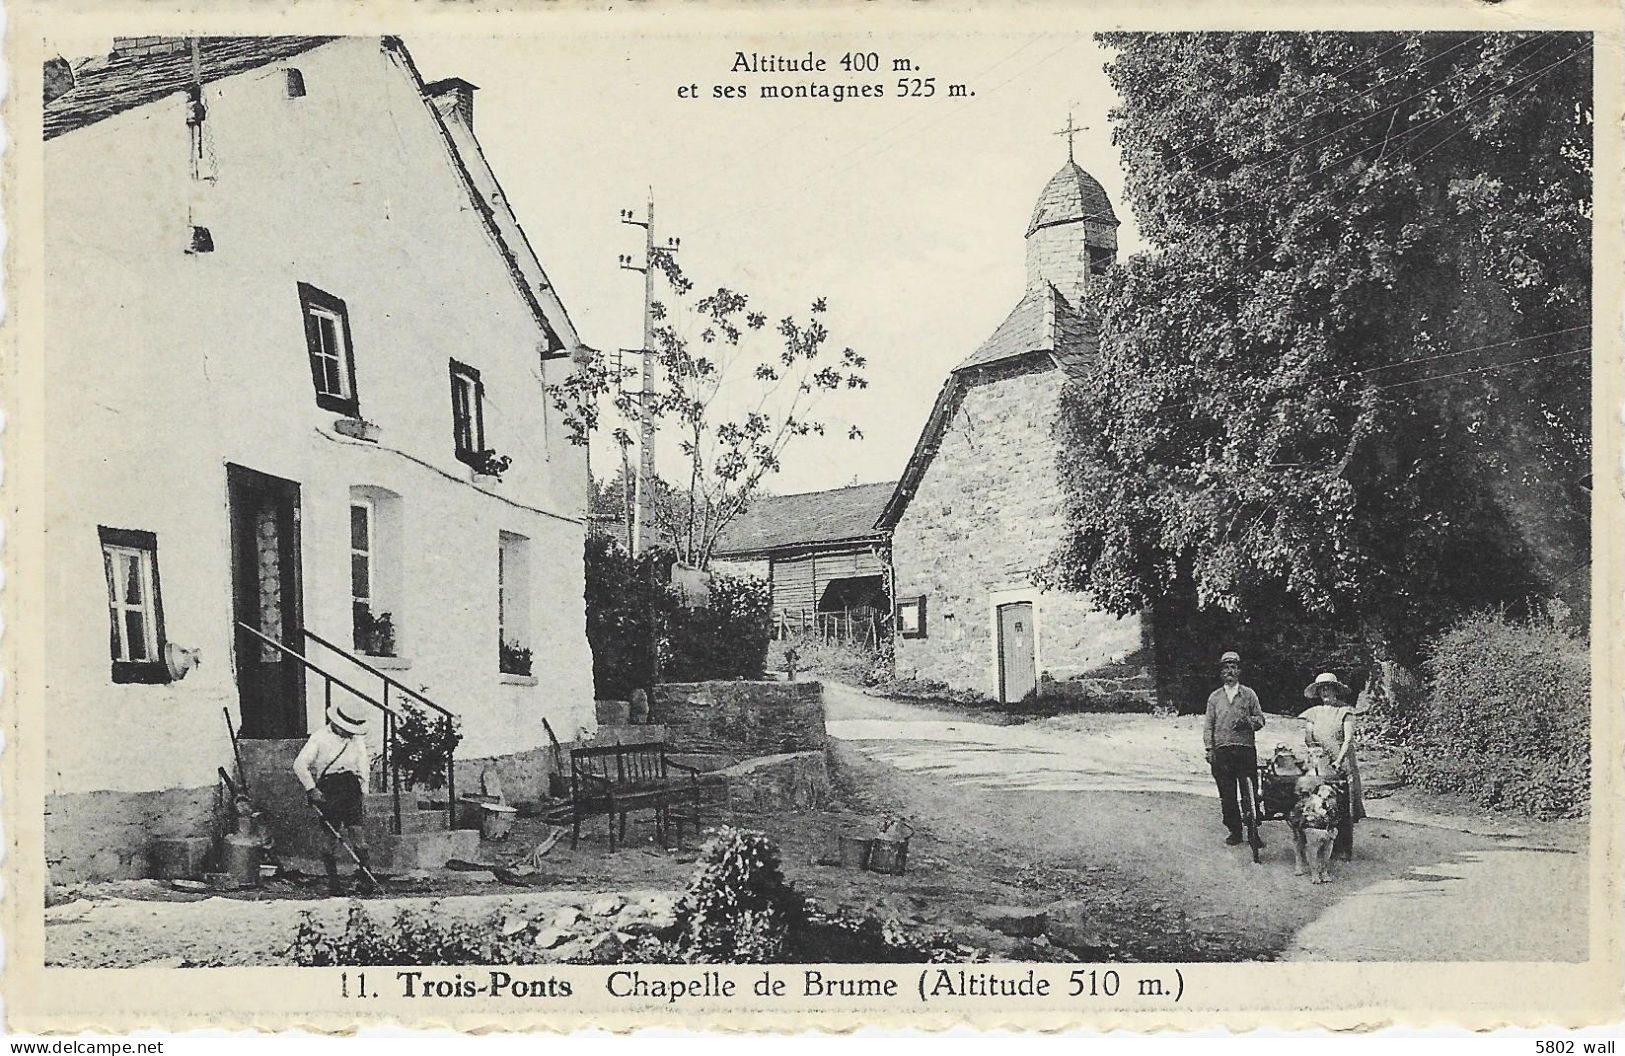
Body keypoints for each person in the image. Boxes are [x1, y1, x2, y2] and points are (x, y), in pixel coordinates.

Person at [293, 700, 374, 896]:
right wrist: (311, 789)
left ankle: (366, 880)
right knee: (331, 837)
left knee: (358, 836)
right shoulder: (319, 738)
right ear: (337, 723)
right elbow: (299, 765)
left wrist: (364, 793)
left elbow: (363, 767)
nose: (350, 733)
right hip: (330, 789)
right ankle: (334, 883)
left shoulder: (356, 741)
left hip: (352, 787)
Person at [1204, 650, 1267, 846]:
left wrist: (1248, 721)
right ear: (1221, 673)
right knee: (1227, 793)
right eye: (1225, 668)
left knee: (1250, 791)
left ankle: (1253, 831)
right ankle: (1235, 831)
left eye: (1233, 667)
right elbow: (1209, 725)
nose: (1229, 671)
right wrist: (1209, 749)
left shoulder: (1248, 694)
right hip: (1222, 751)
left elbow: (1261, 719)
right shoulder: (1214, 698)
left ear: (1239, 671)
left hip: (1245, 749)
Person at [1299, 671, 1366, 824]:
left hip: (1341, 760)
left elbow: (1348, 739)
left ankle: (1344, 835)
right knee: (1318, 797)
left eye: (1328, 688)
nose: (1325, 692)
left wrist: (1339, 760)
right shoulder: (1314, 712)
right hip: (1321, 760)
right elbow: (1309, 736)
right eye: (1321, 689)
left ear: (1335, 690)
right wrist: (1314, 749)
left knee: (1343, 802)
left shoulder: (1345, 711)